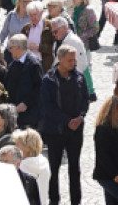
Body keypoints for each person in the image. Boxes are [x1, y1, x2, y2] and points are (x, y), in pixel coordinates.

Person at [42, 43, 96, 205]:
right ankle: (54, 200)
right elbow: (47, 107)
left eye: (75, 60)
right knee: (54, 168)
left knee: (75, 167)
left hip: (75, 131)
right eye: (70, 60)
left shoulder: (79, 77)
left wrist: (80, 116)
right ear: (60, 60)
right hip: (55, 131)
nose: (74, 63)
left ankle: (76, 201)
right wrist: (66, 121)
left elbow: (85, 100)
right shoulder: (49, 80)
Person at [16, 130, 51, 205]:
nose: (15, 148)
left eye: (18, 144)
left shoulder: (24, 165)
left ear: (28, 147)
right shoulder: (43, 160)